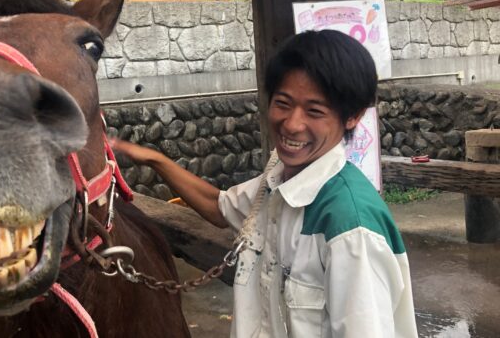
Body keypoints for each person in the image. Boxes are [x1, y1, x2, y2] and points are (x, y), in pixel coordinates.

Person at [111, 30, 418, 338]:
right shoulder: (278, 181)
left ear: (352, 117)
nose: (292, 124)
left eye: (314, 111)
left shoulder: (350, 229)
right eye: (283, 103)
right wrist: (154, 159)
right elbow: (220, 207)